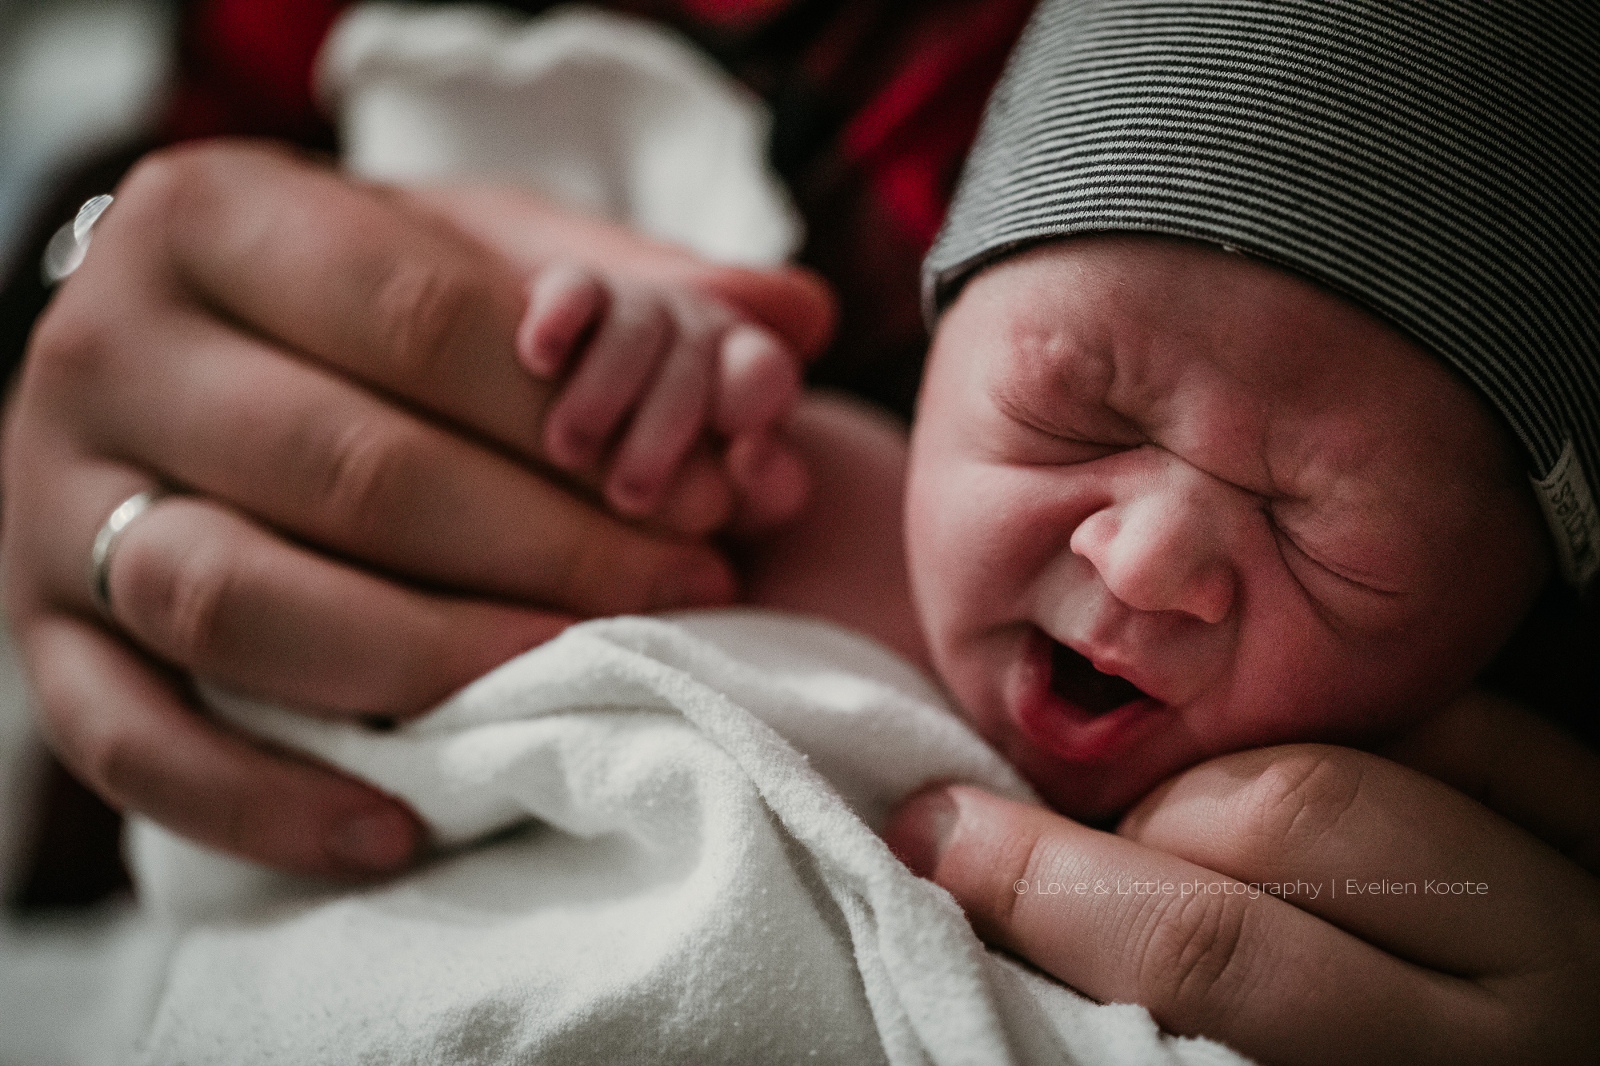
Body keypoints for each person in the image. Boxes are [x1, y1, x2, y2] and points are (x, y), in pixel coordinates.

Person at [0, 0, 1596, 1061]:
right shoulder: (784, 479)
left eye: (1329, 531)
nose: (1141, 559)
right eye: (1078, 409)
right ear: (938, 332)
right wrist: (618, 362)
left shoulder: (1463, 808)